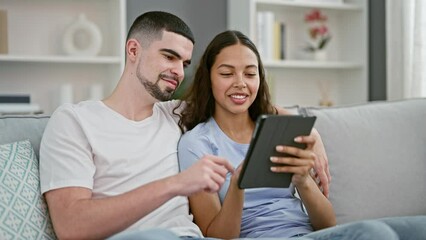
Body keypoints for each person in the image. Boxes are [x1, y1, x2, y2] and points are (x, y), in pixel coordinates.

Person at [39, 11, 330, 239]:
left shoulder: (172, 113)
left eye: (185, 63)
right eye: (169, 56)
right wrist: (176, 184)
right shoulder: (75, 120)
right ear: (133, 50)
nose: (178, 71)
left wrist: (309, 132)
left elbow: (240, 98)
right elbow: (71, 227)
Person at [177, 30, 426, 239]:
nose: (240, 83)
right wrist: (237, 187)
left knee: (405, 229)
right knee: (374, 233)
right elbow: (217, 237)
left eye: (250, 74)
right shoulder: (197, 144)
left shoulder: (279, 129)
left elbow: (328, 225)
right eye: (227, 73)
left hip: (307, 234)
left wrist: (303, 181)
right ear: (208, 78)